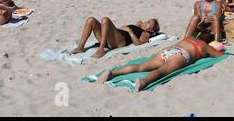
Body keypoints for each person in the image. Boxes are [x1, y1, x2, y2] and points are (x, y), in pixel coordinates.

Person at [96, 36, 225, 91]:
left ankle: (113, 73)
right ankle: (144, 81)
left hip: (169, 50)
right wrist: (218, 49)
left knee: (141, 66)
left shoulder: (189, 38)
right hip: (180, 55)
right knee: (161, 72)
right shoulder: (204, 46)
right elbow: (219, 55)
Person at [70, 17, 160, 58]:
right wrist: (139, 24)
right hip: (113, 37)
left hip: (120, 41)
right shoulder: (140, 27)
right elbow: (137, 25)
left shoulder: (146, 33)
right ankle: (80, 47)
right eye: (147, 20)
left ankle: (101, 49)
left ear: (152, 30)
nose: (146, 22)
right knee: (91, 20)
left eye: (149, 23)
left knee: (105, 20)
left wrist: (129, 31)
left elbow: (138, 43)